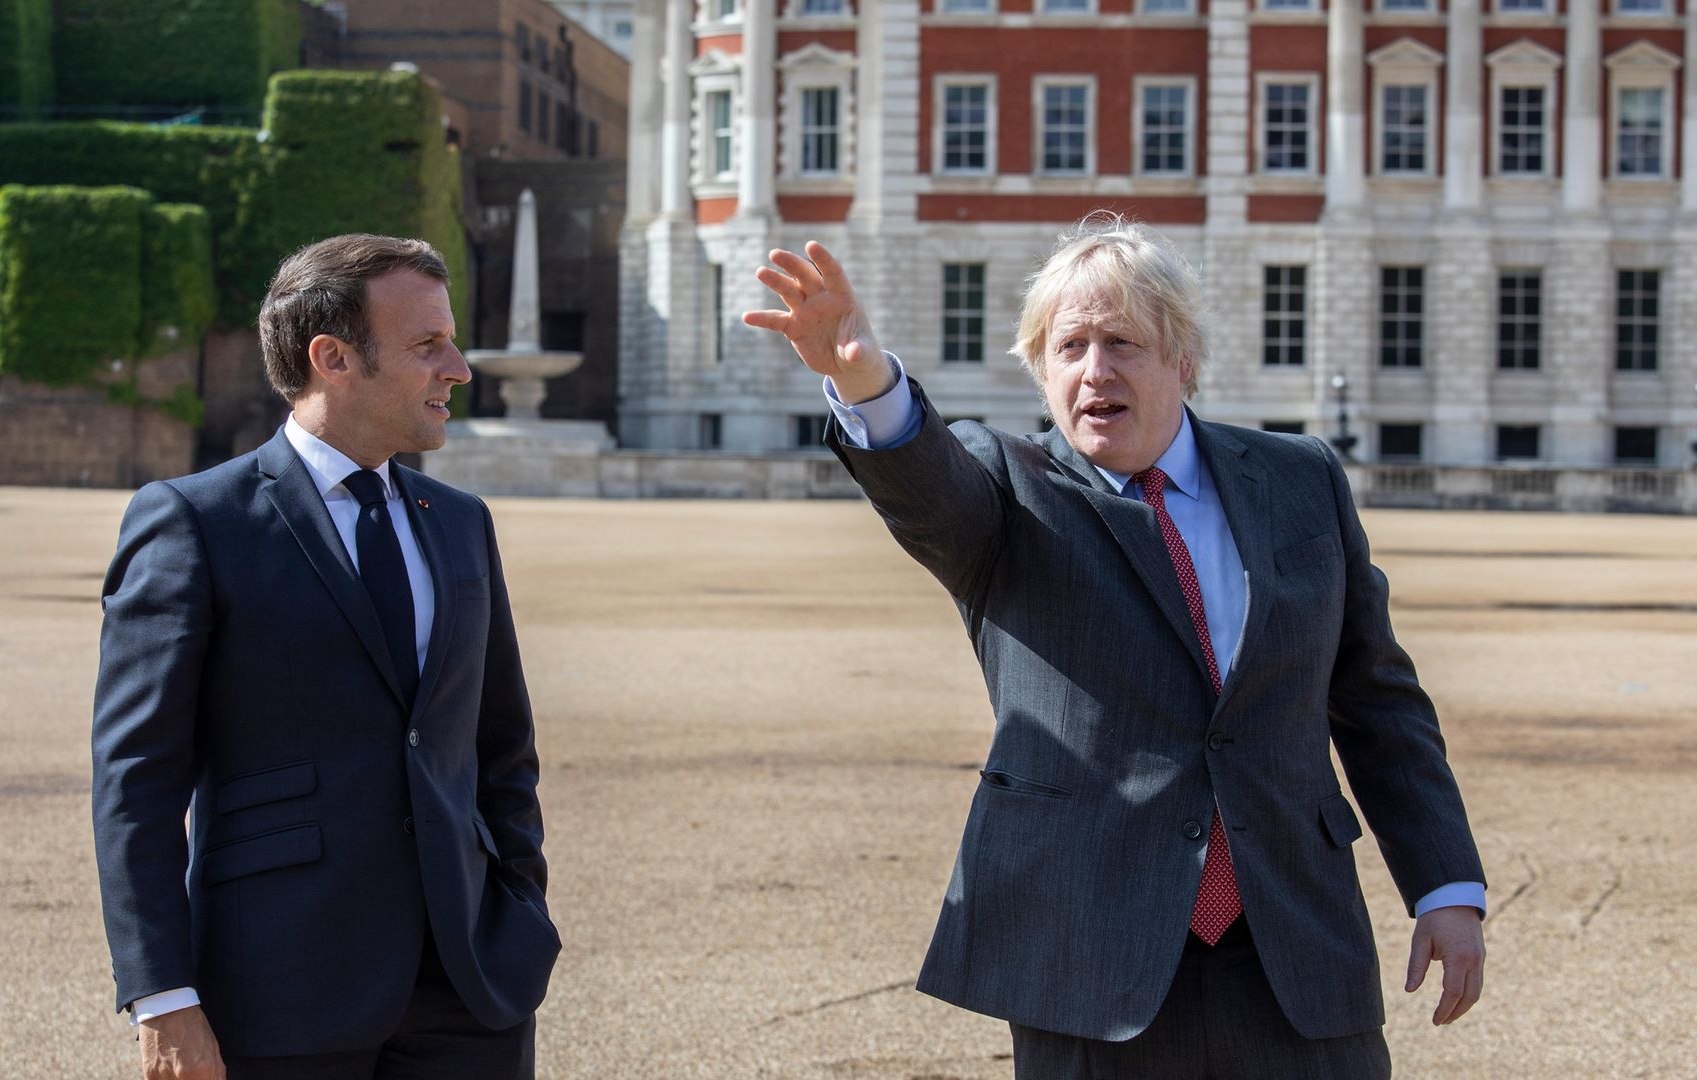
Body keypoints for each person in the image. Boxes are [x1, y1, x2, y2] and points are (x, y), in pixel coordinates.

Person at [742, 215, 1486, 1079]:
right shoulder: (1006, 492)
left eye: (1124, 342)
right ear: (1042, 371)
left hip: (1293, 948)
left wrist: (1444, 886)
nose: (1095, 370)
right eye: (1070, 347)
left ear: (1184, 360)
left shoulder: (1300, 480)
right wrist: (863, 376)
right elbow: (927, 484)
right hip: (1092, 961)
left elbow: (1378, 699)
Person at [92, 234, 558, 1080]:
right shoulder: (195, 523)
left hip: (471, 994)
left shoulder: (461, 523)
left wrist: (520, 913)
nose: (457, 367)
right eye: (427, 346)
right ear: (333, 357)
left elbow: (501, 748)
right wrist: (162, 996)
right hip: (279, 995)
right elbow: (137, 781)